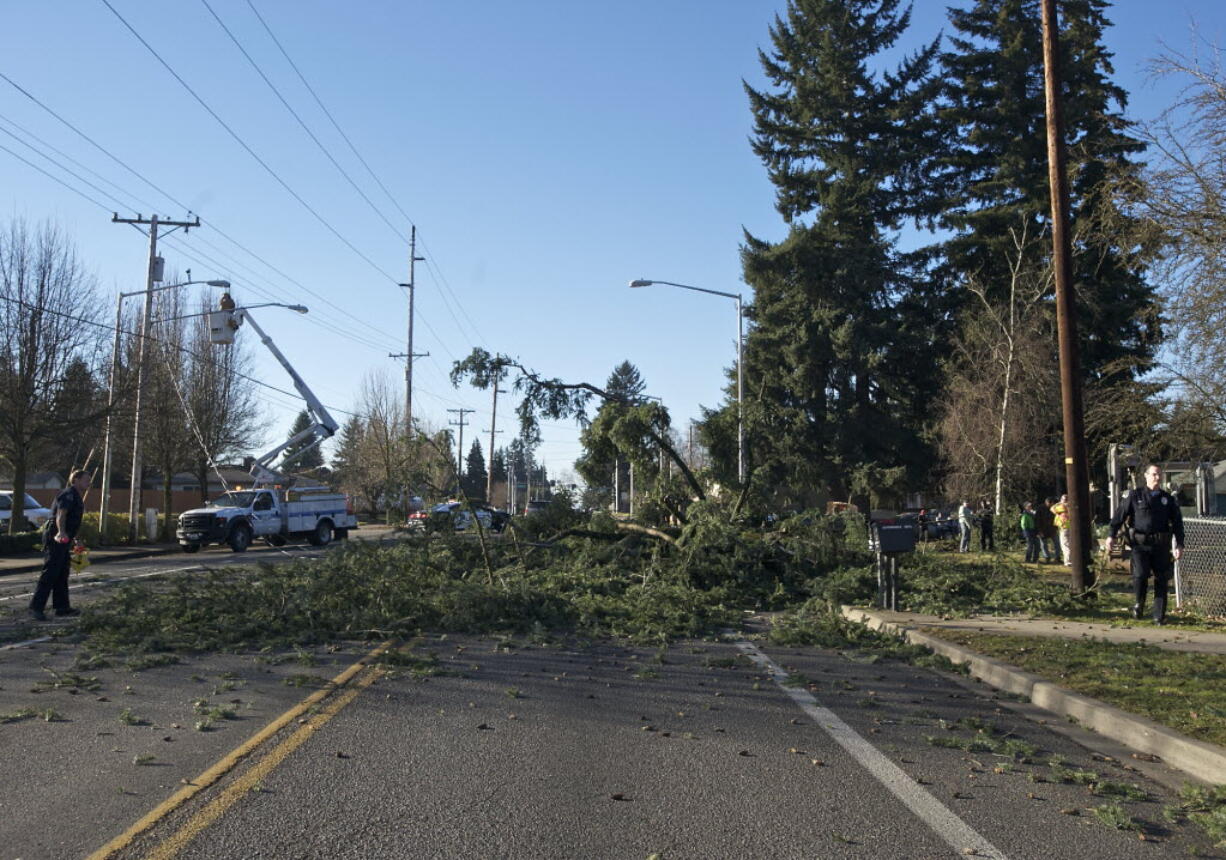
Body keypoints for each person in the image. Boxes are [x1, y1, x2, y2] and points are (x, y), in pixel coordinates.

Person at [1106, 464, 1185, 624]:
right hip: (1140, 544)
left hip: (1160, 544)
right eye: (1154, 474)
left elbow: (1177, 523)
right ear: (1146, 476)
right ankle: (1138, 604)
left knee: (1162, 579)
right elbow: (1119, 515)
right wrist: (1111, 535)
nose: (1157, 477)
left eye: (1159, 475)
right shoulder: (1135, 496)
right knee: (1141, 575)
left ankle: (1159, 615)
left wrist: (1179, 544)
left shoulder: (1167, 499)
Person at [28, 470, 90, 621]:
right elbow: (61, 515)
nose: (88, 483)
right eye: (86, 480)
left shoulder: (76, 496)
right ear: (75, 480)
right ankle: (36, 607)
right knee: (51, 572)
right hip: (56, 537)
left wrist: (75, 539)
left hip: (65, 539)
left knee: (62, 572)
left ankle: (62, 607)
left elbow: (72, 520)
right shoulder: (67, 494)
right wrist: (61, 532)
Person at [1050, 494, 1071, 567]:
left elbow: (1052, 509)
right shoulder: (1070, 506)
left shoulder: (1062, 506)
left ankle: (1068, 561)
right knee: (1068, 544)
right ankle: (1070, 560)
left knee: (1065, 545)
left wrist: (1058, 503)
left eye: (1062, 499)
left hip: (1064, 527)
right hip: (1069, 526)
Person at [1036, 495, 1057, 563]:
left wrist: (1055, 528)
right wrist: (1039, 531)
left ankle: (1057, 557)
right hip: (1042, 529)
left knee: (1057, 543)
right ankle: (1047, 557)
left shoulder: (1053, 508)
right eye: (1051, 503)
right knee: (1043, 544)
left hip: (1052, 529)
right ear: (1048, 502)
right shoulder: (1040, 508)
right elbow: (1037, 520)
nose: (1052, 505)